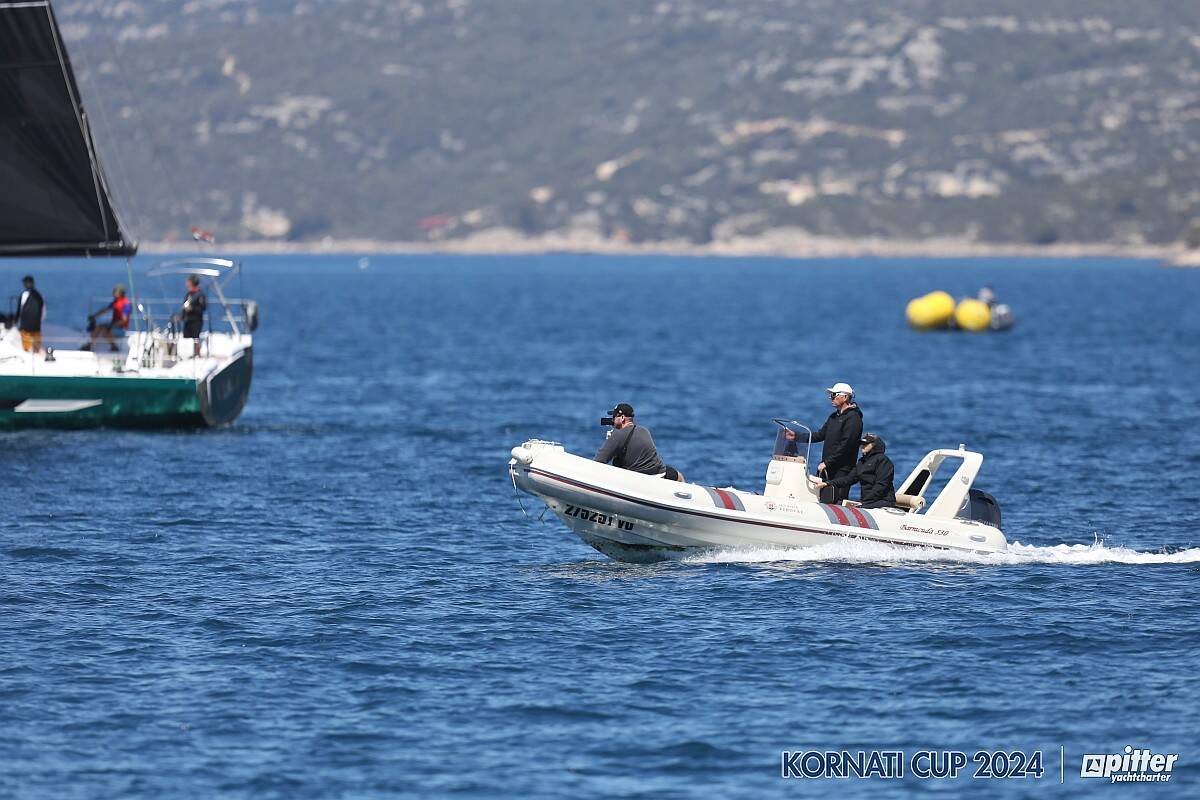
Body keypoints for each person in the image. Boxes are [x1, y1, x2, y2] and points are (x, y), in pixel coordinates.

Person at [786, 382, 863, 503]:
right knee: (824, 499)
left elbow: (846, 445)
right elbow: (820, 435)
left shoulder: (854, 418)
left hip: (842, 469)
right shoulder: (833, 417)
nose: (831, 398)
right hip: (828, 466)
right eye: (830, 395)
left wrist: (827, 462)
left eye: (834, 395)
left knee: (837, 500)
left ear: (845, 397)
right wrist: (797, 436)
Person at [595, 403, 684, 481]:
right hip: (660, 473)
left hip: (641, 479)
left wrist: (610, 441)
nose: (612, 419)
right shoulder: (644, 430)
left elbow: (599, 461)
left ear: (622, 418)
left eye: (614, 417)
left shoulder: (617, 435)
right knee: (679, 476)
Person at [814, 433, 897, 509]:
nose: (862, 446)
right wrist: (828, 483)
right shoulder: (862, 462)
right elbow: (849, 479)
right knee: (841, 504)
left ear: (874, 445)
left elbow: (881, 485)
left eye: (865, 444)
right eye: (861, 444)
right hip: (867, 501)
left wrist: (863, 502)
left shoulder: (883, 460)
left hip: (884, 501)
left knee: (855, 507)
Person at [83, 284, 131, 352]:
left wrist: (112, 326)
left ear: (120, 293)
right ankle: (90, 344)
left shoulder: (126, 304)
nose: (113, 293)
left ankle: (114, 346)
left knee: (105, 330)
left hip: (121, 329)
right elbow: (105, 310)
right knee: (99, 326)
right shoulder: (116, 302)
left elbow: (124, 320)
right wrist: (94, 316)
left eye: (115, 291)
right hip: (114, 326)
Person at [16, 275, 45, 353]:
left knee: (26, 348)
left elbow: (20, 310)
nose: (24, 284)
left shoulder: (24, 294)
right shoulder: (39, 295)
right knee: (36, 346)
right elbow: (43, 310)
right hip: (36, 325)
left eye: (25, 283)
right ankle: (36, 354)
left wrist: (16, 320)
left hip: (25, 326)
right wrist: (39, 320)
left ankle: (28, 354)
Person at [177, 274, 207, 339]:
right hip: (187, 322)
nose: (186, 283)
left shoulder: (200, 295)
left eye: (188, 281)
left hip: (196, 322)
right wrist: (180, 317)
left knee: (195, 340)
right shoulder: (188, 294)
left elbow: (203, 308)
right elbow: (184, 307)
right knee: (186, 340)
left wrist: (192, 308)